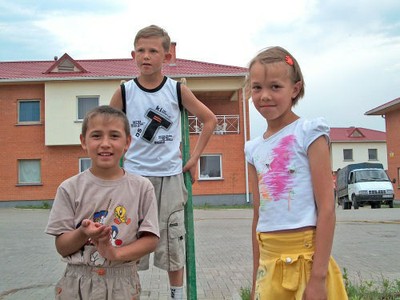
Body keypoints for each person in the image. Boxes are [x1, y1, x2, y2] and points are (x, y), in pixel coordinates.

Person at [110, 25, 217, 299]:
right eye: (141, 51)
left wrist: (194, 158)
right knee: (129, 238)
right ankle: (129, 292)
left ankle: (176, 294)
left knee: (172, 239)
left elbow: (209, 120)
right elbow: (108, 126)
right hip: (133, 179)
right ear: (133, 54)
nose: (146, 56)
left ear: (166, 57)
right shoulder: (124, 92)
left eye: (153, 51)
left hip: (169, 177)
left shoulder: (176, 90)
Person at [244, 46, 348, 299]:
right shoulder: (253, 149)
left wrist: (318, 278)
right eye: (257, 87)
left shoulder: (309, 133)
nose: (265, 95)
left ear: (295, 89)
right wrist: (256, 275)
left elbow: (326, 208)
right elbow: (258, 216)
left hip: (307, 263)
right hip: (269, 263)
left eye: (275, 87)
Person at [45, 105, 160, 300]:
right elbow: (62, 247)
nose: (105, 143)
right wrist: (83, 232)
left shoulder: (142, 187)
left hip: (123, 282)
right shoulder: (69, 188)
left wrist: (114, 253)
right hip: (77, 282)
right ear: (84, 141)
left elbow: (151, 240)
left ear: (127, 142)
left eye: (114, 136)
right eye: (96, 136)